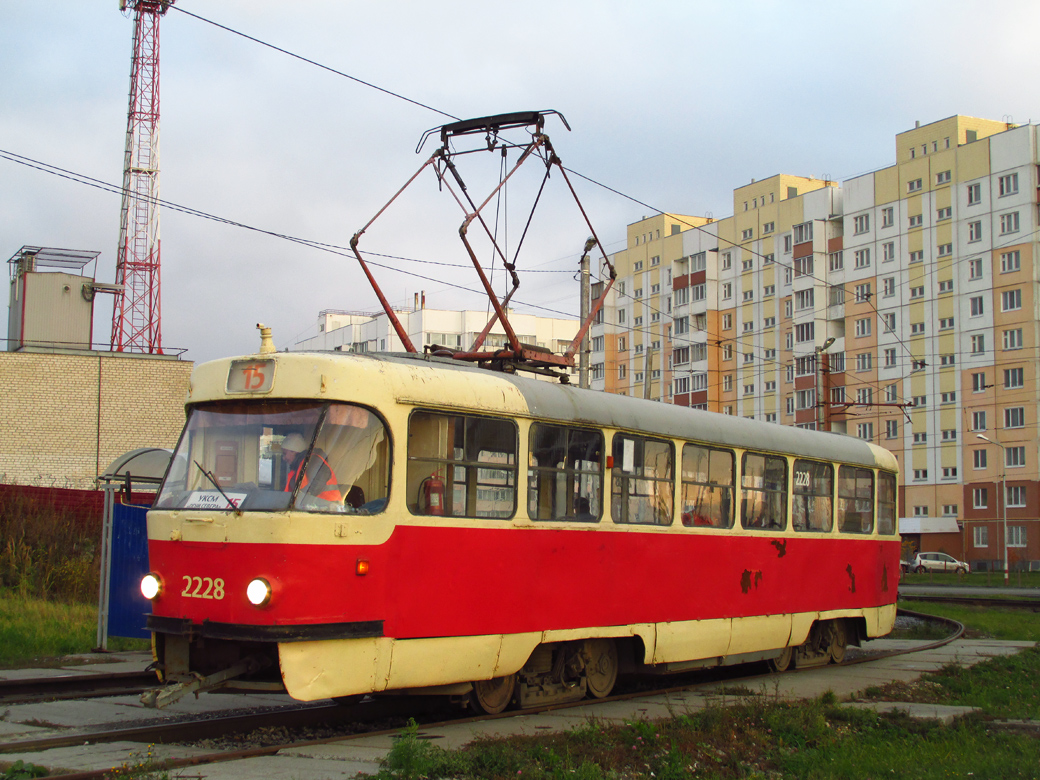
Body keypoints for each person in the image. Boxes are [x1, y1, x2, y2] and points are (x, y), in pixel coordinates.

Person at [281, 433, 342, 503]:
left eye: (285, 453)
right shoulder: (299, 467)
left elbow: (316, 486)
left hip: (329, 508)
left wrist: (301, 502)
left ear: (293, 451)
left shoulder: (313, 461)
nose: (283, 458)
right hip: (316, 508)